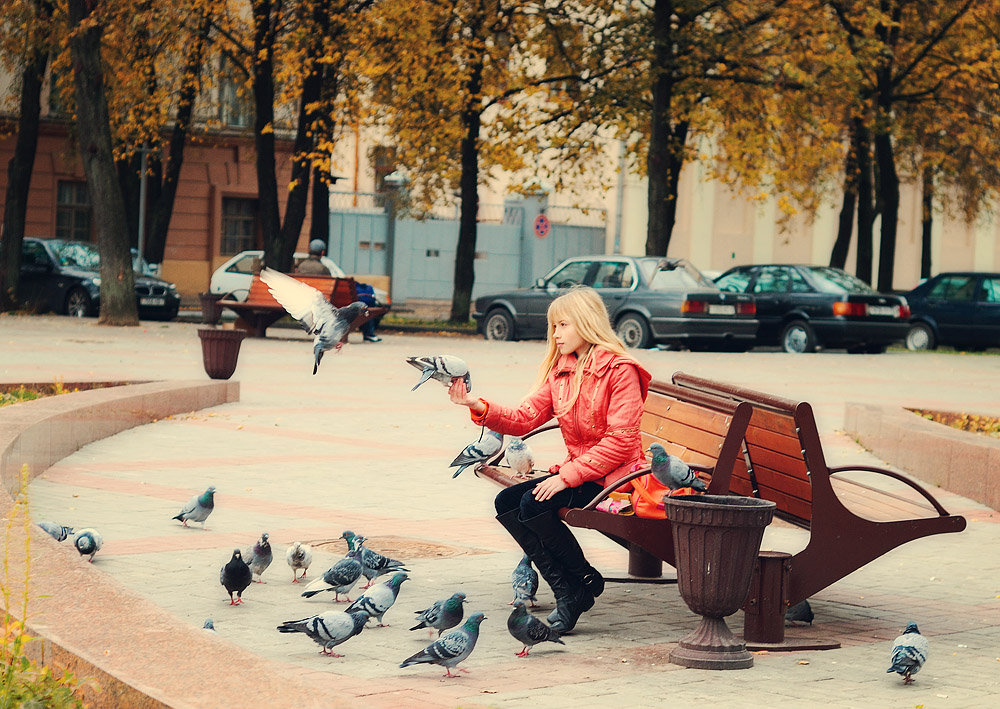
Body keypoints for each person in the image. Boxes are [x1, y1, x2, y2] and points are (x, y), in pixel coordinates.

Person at [448, 287, 651, 632]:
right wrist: (475, 405)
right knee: (507, 502)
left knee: (533, 502)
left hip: (615, 480)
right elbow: (524, 417)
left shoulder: (620, 371)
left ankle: (574, 588)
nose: (555, 334)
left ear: (587, 324)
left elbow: (621, 441)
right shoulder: (564, 369)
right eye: (553, 326)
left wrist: (566, 475)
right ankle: (577, 582)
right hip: (586, 474)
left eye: (562, 325)